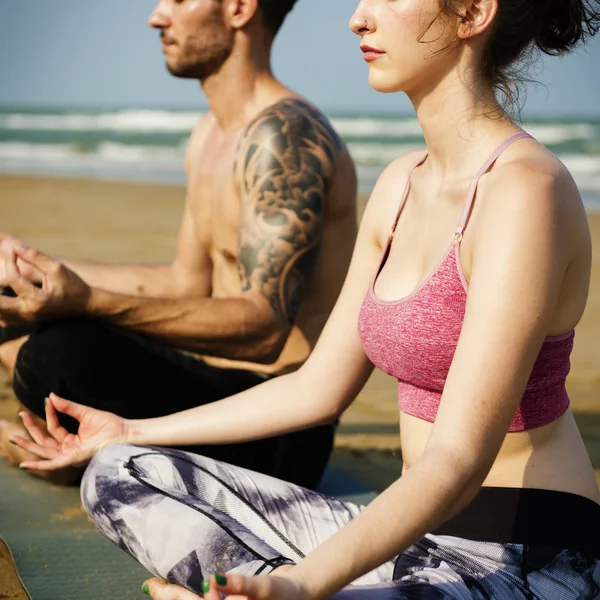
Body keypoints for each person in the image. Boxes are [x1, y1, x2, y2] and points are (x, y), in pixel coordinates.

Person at [11, 0, 600, 597]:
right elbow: (316, 387)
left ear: (473, 12)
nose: (358, 18)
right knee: (118, 474)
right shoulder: (401, 185)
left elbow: (456, 461)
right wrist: (131, 430)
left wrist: (302, 583)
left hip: (523, 555)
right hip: (411, 540)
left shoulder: (526, 193)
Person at [0, 0, 358, 489]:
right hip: (206, 390)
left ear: (238, 8)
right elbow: (183, 283)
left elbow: (265, 326)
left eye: (179, 0)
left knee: (54, 354)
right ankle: (74, 449)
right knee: (10, 311)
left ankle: (74, 450)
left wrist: (88, 302)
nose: (157, 16)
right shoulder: (211, 133)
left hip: (276, 427)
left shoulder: (285, 137)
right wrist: (31, 268)